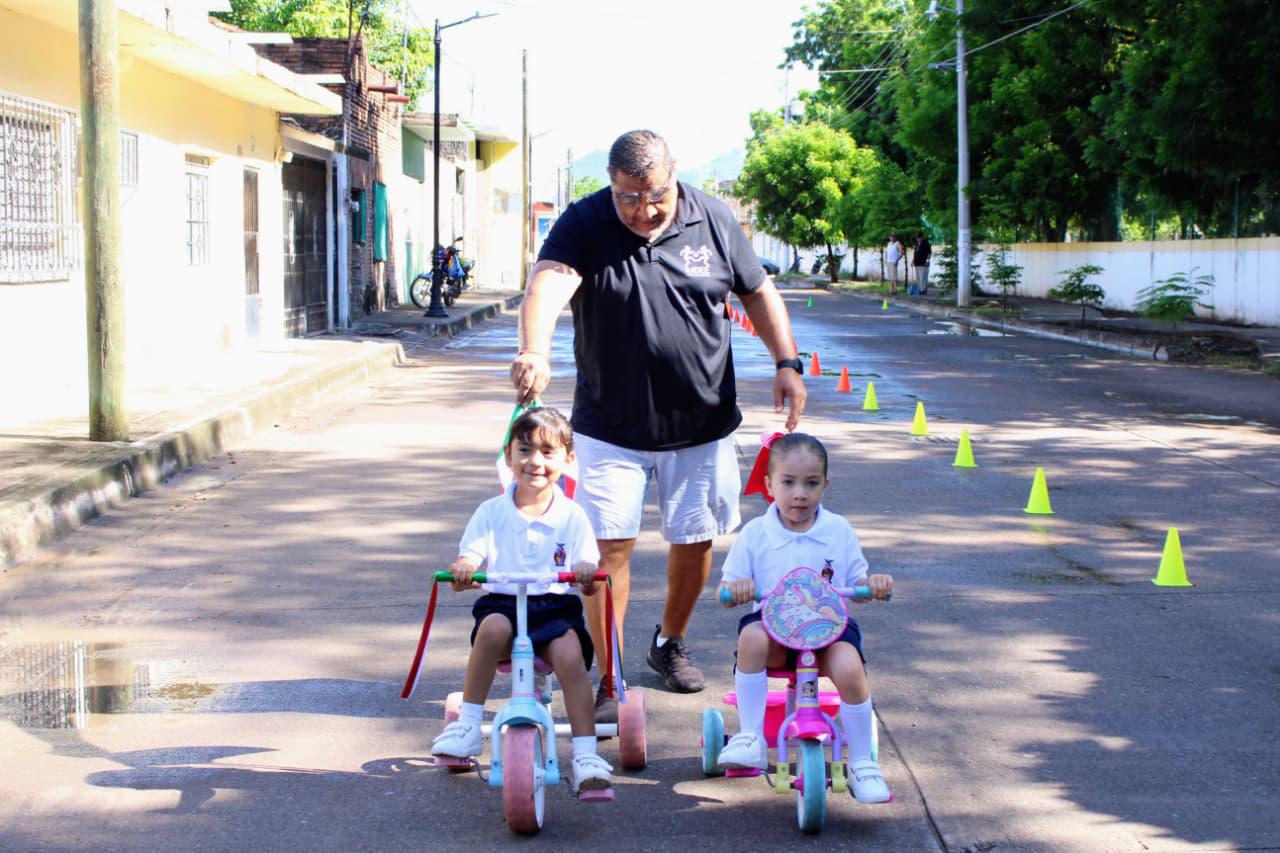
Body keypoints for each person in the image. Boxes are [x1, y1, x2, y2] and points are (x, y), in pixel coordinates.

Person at [509, 129, 807, 722]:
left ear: (674, 177)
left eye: (655, 195)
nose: (643, 210)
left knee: (694, 541)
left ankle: (669, 640)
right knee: (607, 547)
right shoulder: (586, 222)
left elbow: (757, 291)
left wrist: (787, 362)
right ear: (611, 186)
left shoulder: (714, 218)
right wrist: (534, 350)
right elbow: (548, 284)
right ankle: (612, 673)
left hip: (701, 419)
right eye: (628, 197)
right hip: (609, 424)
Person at [430, 407, 613, 795]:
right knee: (492, 629)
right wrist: (464, 569)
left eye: (548, 452)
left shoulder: (572, 515)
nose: (535, 462)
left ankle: (585, 754)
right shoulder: (491, 512)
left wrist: (585, 574)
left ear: (568, 459)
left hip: (553, 606)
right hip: (502, 600)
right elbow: (470, 557)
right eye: (525, 450)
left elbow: (590, 573)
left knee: (568, 656)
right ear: (508, 456)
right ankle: (467, 725)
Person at [716, 433, 895, 804]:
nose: (800, 494)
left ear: (825, 485)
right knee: (751, 639)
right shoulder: (756, 533)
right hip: (774, 629)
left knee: (850, 668)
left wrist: (871, 584)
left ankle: (862, 763)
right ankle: (750, 736)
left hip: (828, 629)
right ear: (769, 485)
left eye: (811, 483)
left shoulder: (838, 530)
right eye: (788, 483)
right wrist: (739, 589)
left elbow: (856, 583)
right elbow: (727, 589)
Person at [911, 232, 932, 297]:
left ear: (922, 237)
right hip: (917, 263)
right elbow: (915, 253)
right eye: (917, 238)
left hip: (924, 263)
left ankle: (923, 290)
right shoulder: (917, 244)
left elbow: (929, 253)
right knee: (918, 277)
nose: (918, 239)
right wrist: (913, 261)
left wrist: (927, 261)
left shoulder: (926, 243)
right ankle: (920, 289)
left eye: (919, 238)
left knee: (923, 277)